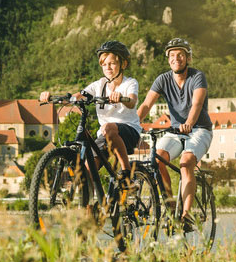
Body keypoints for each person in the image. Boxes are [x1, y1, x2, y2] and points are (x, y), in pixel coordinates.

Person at [136, 37, 212, 226]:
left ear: (187, 58)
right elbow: (146, 104)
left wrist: (188, 123)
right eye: (172, 55)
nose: (176, 58)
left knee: (186, 163)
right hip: (175, 131)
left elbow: (197, 104)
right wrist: (133, 124)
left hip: (199, 129)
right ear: (168, 58)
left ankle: (187, 214)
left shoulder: (197, 77)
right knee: (157, 159)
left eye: (180, 55)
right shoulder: (162, 79)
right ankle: (171, 208)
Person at [39, 40, 141, 181]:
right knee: (86, 172)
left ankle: (126, 172)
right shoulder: (99, 84)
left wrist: (121, 98)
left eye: (112, 63)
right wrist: (52, 98)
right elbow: (78, 97)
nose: (108, 67)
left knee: (108, 127)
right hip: (105, 135)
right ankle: (89, 203)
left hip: (129, 132)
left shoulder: (130, 83)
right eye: (104, 64)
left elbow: (132, 100)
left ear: (123, 64)